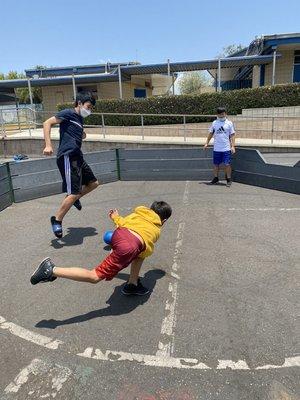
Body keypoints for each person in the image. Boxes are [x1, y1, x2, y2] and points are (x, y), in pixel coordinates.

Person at [30, 201, 172, 296]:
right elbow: (147, 250)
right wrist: (125, 254)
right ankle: (51, 270)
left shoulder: (138, 214)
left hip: (118, 234)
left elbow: (122, 223)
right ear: (164, 220)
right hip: (128, 246)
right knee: (94, 276)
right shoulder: (156, 229)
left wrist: (115, 217)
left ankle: (132, 284)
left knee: (138, 255)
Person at [43, 92, 99, 238]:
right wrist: (48, 145)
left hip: (77, 156)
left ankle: (74, 198)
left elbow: (76, 132)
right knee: (73, 193)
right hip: (67, 157)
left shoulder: (79, 119)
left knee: (94, 183)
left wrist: (82, 133)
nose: (89, 110)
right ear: (79, 103)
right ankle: (57, 220)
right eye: (88, 107)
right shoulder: (68, 113)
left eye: (91, 108)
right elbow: (47, 123)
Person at [204, 107, 236, 187]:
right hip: (217, 148)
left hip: (226, 148)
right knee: (216, 164)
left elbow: (232, 135)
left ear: (225, 113)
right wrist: (206, 143)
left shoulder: (229, 123)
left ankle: (228, 179)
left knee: (227, 164)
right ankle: (216, 178)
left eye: (223, 114)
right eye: (220, 114)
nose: (221, 115)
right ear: (217, 114)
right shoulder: (214, 123)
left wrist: (233, 146)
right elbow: (211, 133)